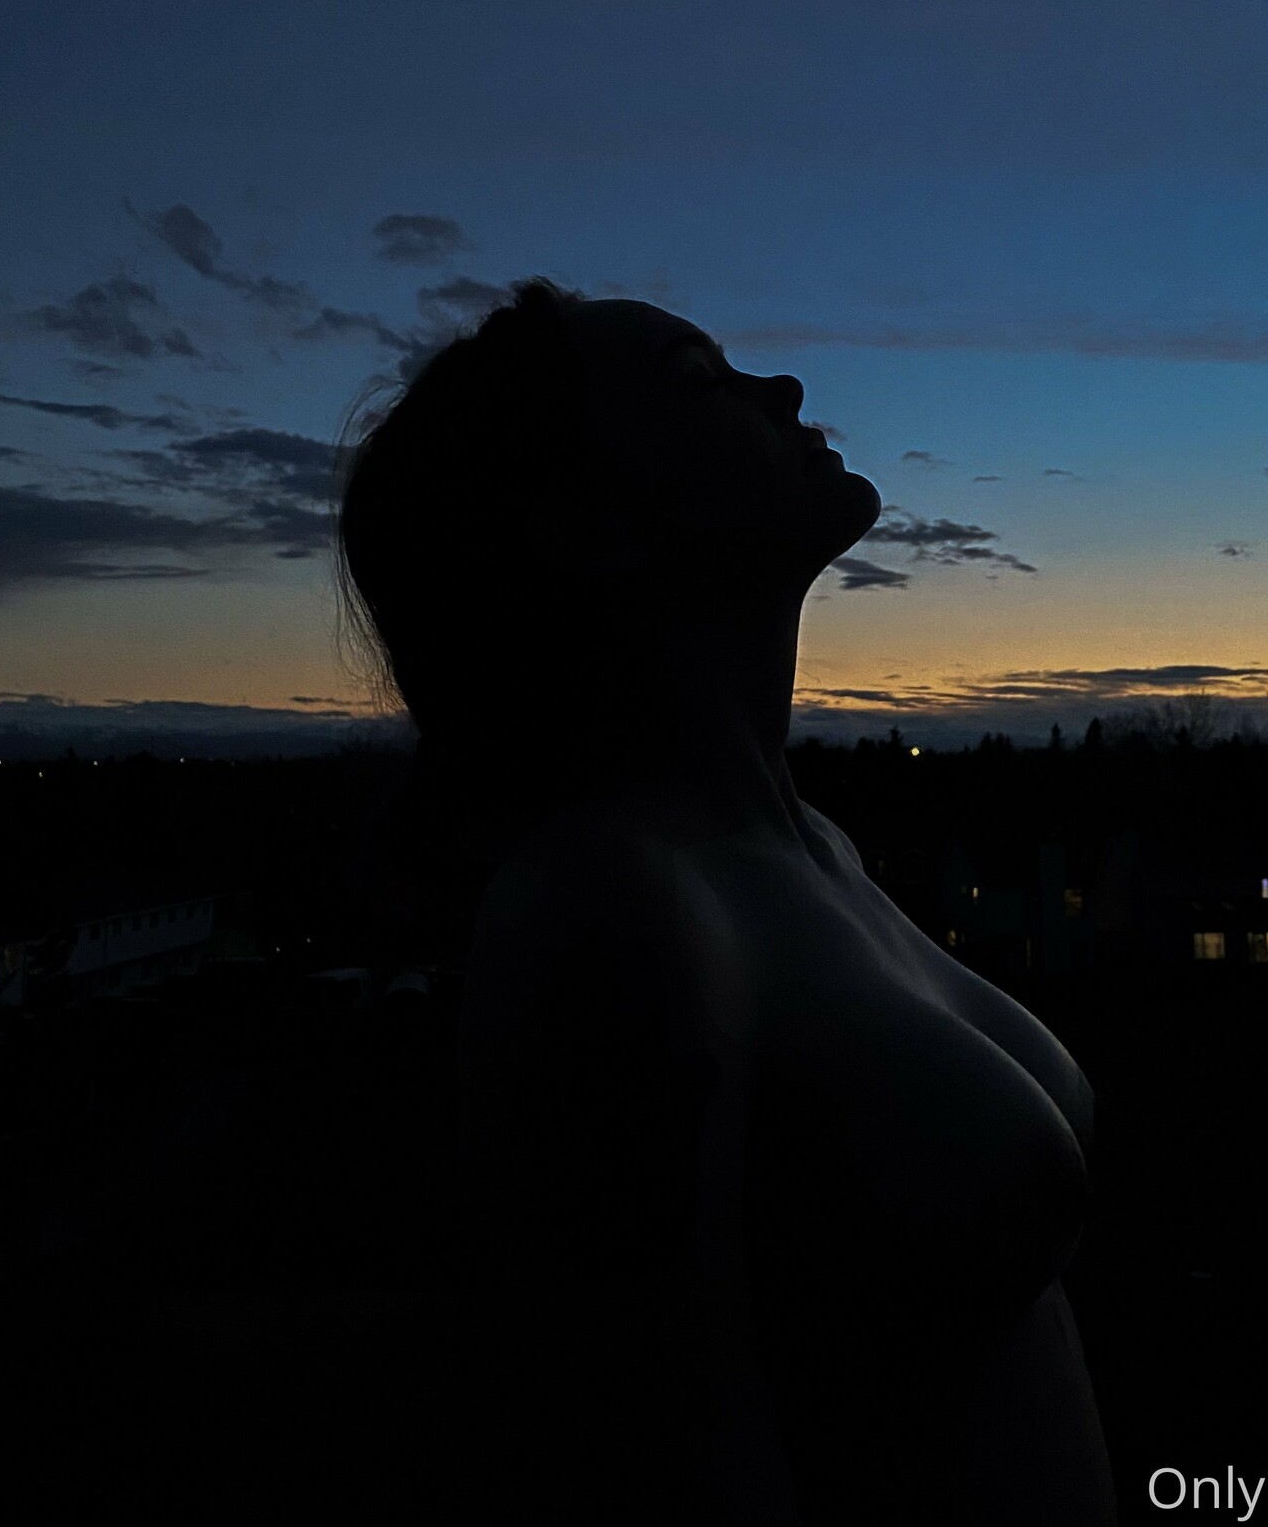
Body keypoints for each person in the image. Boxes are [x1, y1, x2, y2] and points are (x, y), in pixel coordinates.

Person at [332, 276, 1119, 1524]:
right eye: (704, 381)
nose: (784, 389)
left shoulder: (820, 852)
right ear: (592, 522)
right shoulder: (606, 904)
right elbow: (662, 1453)